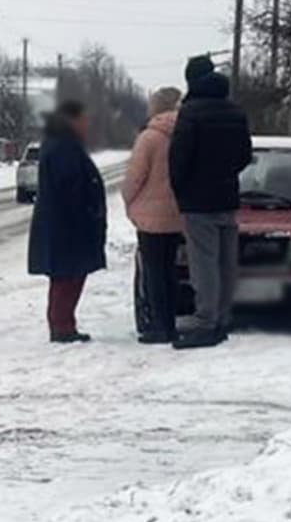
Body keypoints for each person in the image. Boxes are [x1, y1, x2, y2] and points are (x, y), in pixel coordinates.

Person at [168, 55, 254, 350]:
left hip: (198, 201)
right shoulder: (236, 111)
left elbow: (178, 159)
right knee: (225, 260)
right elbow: (244, 155)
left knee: (203, 262)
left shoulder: (190, 113)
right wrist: (225, 173)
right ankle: (223, 313)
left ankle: (205, 319)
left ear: (191, 80)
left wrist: (182, 191)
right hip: (227, 197)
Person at [28, 100, 107, 343]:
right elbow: (70, 186)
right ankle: (62, 326)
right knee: (66, 277)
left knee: (67, 276)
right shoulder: (64, 146)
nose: (87, 124)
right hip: (67, 226)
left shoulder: (62, 143)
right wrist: (87, 211)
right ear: (72, 120)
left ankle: (64, 324)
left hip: (64, 224)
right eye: (84, 119)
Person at [123, 87, 184, 344]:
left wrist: (129, 200)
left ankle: (159, 325)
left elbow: (134, 177)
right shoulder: (184, 133)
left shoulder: (149, 138)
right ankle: (171, 321)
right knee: (170, 270)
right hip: (176, 214)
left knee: (153, 272)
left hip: (150, 216)